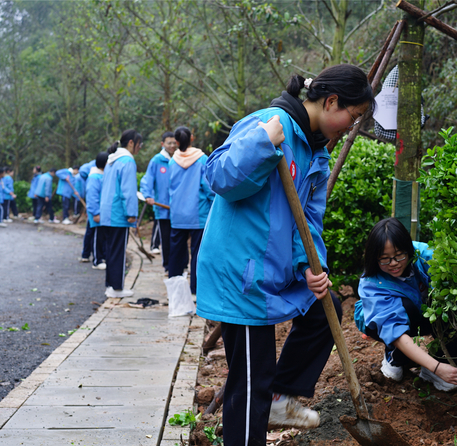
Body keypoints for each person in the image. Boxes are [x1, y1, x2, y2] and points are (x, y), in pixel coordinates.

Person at [196, 64, 374, 446]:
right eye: (353, 116)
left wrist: (310, 267)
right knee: (249, 381)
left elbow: (309, 220)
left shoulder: (316, 153)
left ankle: (279, 395)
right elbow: (219, 179)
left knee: (324, 311)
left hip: (273, 268)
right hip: (241, 271)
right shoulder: (270, 122)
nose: (351, 126)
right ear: (331, 101)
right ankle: (261, 406)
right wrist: (262, 142)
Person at [354, 217, 457, 391]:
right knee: (404, 308)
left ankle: (440, 360)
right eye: (385, 259)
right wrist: (438, 369)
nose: (394, 263)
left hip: (423, 311)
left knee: (452, 301)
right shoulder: (372, 283)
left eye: (399, 255)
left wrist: (438, 365)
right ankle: (396, 358)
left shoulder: (423, 255)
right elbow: (395, 332)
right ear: (375, 258)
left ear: (409, 249)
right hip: (382, 321)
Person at [166, 127, 213, 294]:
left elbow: (169, 187)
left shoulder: (172, 161)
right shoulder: (202, 159)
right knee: (198, 253)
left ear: (177, 142)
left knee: (176, 254)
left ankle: (174, 290)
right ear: (192, 138)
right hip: (198, 214)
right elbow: (208, 188)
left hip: (178, 214)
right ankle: (196, 290)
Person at [99, 130, 141, 298]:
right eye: (139, 144)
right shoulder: (127, 161)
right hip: (118, 212)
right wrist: (131, 212)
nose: (140, 148)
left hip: (107, 211)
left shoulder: (112, 160)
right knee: (118, 250)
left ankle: (111, 285)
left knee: (111, 250)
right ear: (131, 143)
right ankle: (117, 288)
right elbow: (128, 190)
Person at [140, 131, 176, 269]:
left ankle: (179, 266)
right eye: (169, 143)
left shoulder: (180, 159)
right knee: (165, 239)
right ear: (163, 144)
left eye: (174, 143)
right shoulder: (156, 160)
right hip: (162, 208)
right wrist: (148, 195)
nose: (172, 145)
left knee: (178, 239)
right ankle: (168, 266)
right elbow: (147, 180)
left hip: (177, 208)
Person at [84, 152, 109, 270]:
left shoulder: (103, 175)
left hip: (104, 212)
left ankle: (102, 257)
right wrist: (95, 212)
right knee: (97, 236)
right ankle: (96, 260)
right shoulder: (94, 177)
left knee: (103, 236)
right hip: (97, 213)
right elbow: (92, 196)